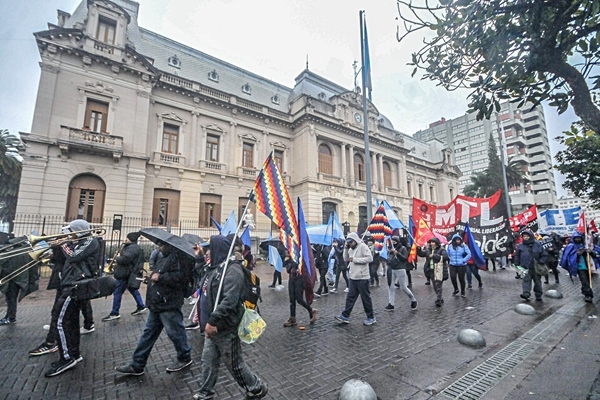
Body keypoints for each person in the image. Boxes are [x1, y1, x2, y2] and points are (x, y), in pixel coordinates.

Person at [193, 234, 268, 400]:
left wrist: (213, 321)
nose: (206, 252)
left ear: (218, 250)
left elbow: (230, 300)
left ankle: (256, 387)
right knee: (208, 361)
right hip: (212, 328)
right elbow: (201, 278)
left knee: (235, 365)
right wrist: (199, 257)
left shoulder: (232, 270)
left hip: (225, 327)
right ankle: (206, 392)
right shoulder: (215, 267)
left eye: (209, 249)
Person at [115, 239, 192, 376]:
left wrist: (160, 277)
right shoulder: (164, 257)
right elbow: (158, 273)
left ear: (170, 245)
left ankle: (184, 356)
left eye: (162, 245)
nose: (159, 248)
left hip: (168, 302)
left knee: (175, 333)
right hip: (157, 302)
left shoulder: (180, 259)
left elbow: (181, 278)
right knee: (148, 334)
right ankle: (137, 364)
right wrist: (151, 278)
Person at [44, 219, 101, 377]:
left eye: (71, 231)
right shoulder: (78, 242)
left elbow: (74, 256)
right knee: (71, 322)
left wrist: (63, 243)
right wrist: (56, 249)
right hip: (70, 284)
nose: (69, 234)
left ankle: (66, 358)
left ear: (78, 230)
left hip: (75, 285)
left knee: (59, 321)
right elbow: (65, 259)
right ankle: (74, 354)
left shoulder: (90, 241)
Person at [102, 232, 147, 322]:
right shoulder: (131, 247)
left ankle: (115, 312)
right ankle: (141, 306)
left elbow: (125, 260)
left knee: (117, 292)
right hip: (127, 273)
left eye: (127, 237)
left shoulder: (132, 248)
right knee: (133, 290)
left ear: (130, 239)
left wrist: (118, 257)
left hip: (125, 274)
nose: (125, 239)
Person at [335, 232, 376, 325]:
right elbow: (345, 258)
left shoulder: (363, 247)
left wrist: (356, 260)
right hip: (353, 277)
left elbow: (370, 258)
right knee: (350, 297)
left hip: (362, 277)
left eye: (351, 242)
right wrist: (345, 249)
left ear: (355, 240)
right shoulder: (350, 248)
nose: (350, 244)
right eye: (348, 243)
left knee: (365, 298)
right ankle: (345, 315)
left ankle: (371, 317)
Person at [0, 235, 31, 325]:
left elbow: (6, 265)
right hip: (18, 279)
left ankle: (10, 317)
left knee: (11, 299)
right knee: (11, 299)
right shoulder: (25, 251)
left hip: (14, 279)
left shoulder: (18, 253)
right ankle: (9, 316)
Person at [282, 247, 317, 327]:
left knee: (299, 299)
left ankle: (311, 310)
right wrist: (289, 259)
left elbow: (309, 260)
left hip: (300, 279)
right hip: (291, 278)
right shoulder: (290, 255)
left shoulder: (302, 250)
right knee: (292, 299)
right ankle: (292, 318)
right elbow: (287, 268)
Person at [385, 236, 417, 311]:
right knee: (391, 287)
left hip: (400, 269)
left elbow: (405, 259)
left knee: (403, 287)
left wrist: (397, 253)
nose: (393, 243)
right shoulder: (390, 249)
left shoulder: (403, 248)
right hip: (391, 269)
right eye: (392, 241)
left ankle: (413, 300)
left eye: (394, 241)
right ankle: (391, 304)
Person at [560, 231, 594, 303]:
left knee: (587, 280)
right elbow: (567, 256)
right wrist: (577, 254)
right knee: (584, 280)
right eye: (576, 238)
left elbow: (594, 253)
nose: (578, 240)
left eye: (579, 238)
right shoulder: (571, 246)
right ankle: (588, 295)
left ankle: (584, 290)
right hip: (579, 266)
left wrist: (589, 252)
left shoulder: (585, 245)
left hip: (587, 266)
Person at [514, 229, 547, 302]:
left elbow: (544, 254)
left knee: (537, 282)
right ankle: (526, 294)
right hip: (525, 267)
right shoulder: (520, 246)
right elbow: (517, 255)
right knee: (526, 281)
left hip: (536, 267)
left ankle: (538, 295)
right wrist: (516, 264)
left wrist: (541, 261)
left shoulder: (537, 244)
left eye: (527, 236)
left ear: (530, 236)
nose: (525, 237)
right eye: (524, 236)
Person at [418, 237, 448, 307]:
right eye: (431, 242)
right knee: (434, 285)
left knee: (438, 285)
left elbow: (445, 257)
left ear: (437, 243)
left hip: (438, 270)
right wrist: (418, 249)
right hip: (431, 270)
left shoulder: (442, 249)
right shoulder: (428, 250)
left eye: (433, 242)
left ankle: (439, 300)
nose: (432, 244)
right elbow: (422, 254)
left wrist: (434, 256)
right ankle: (440, 297)